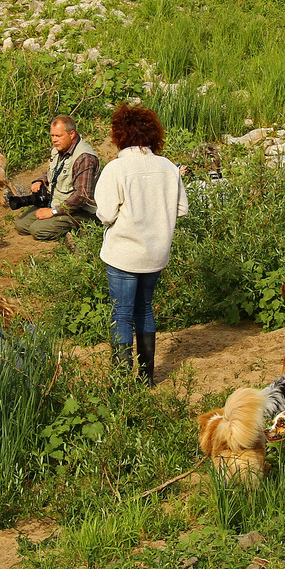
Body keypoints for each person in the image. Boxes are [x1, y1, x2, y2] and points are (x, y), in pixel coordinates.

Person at [93, 103, 188, 385]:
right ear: (152, 133)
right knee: (144, 309)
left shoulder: (117, 168)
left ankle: (122, 380)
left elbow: (106, 213)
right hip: (156, 253)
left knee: (122, 314)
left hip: (124, 252)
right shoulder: (168, 166)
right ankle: (146, 378)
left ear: (120, 133)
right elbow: (180, 209)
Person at [7, 115, 100, 241]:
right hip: (55, 201)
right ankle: (58, 224)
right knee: (21, 226)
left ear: (72, 134)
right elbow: (54, 170)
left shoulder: (84, 158)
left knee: (38, 230)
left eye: (58, 136)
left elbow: (81, 196)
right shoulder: (59, 149)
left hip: (77, 210)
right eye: (52, 136)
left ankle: (74, 232)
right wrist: (41, 180)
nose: (54, 140)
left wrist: (53, 212)